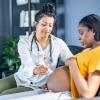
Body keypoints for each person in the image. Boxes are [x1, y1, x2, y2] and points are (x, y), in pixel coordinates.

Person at [0, 3, 73, 96]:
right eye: (44, 24)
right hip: (20, 77)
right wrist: (35, 70)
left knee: (4, 95)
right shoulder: (24, 42)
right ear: (35, 24)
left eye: (50, 25)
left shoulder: (58, 43)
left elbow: (71, 61)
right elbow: (27, 65)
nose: (47, 28)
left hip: (37, 85)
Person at [65, 14, 100, 99]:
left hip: (66, 94)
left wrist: (73, 63)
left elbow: (88, 94)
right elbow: (67, 61)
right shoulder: (87, 50)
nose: (78, 37)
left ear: (93, 31)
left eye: (81, 33)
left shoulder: (98, 53)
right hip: (49, 90)